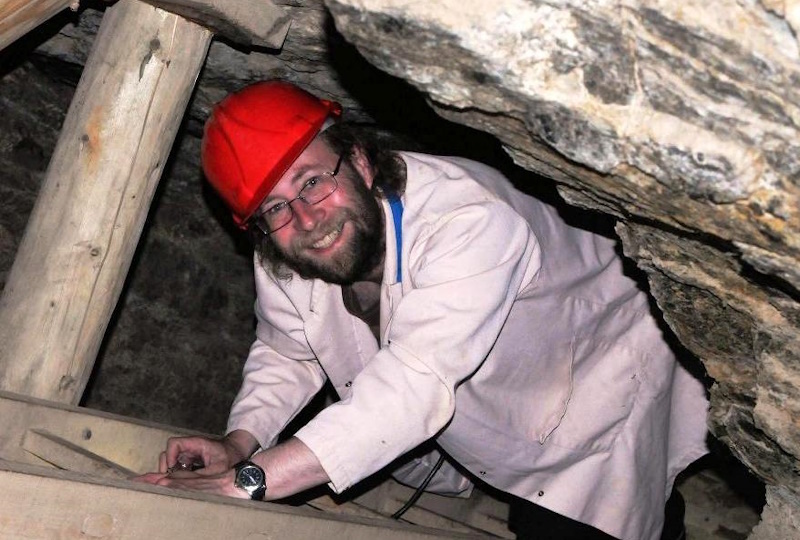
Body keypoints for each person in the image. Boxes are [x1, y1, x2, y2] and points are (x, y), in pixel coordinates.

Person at [136, 81, 709, 540]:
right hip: (486, 395)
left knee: (569, 515)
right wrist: (240, 442)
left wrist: (248, 482)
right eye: (275, 208)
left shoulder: (468, 219)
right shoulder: (285, 243)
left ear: (359, 161)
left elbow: (414, 383)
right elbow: (288, 349)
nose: (307, 219)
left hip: (594, 379)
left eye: (312, 182)